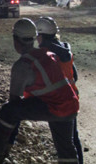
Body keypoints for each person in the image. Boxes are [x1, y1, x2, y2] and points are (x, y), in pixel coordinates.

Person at [0, 18, 80, 164]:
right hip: (70, 105)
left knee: (8, 111)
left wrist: (9, 137)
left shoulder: (22, 65)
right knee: (66, 149)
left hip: (55, 107)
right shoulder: (48, 55)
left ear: (16, 40)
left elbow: (14, 103)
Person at [35, 16, 83, 164]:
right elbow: (74, 75)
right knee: (73, 138)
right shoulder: (65, 48)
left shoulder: (46, 53)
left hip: (58, 102)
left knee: (64, 144)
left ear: (40, 35)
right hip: (72, 98)